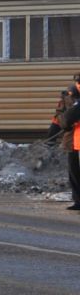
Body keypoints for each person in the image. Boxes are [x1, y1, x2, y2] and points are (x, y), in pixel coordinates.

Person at [55, 72, 80, 211]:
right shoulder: (68, 97)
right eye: (79, 83)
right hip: (72, 140)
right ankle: (78, 201)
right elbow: (58, 115)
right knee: (74, 172)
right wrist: (64, 122)